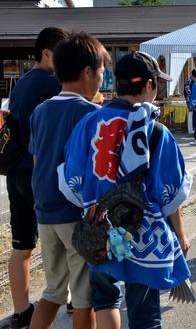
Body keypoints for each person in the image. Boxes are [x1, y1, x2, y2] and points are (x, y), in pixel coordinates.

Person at [58, 51, 192, 328]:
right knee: (145, 315)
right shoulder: (155, 131)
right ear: (148, 86)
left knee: (105, 298)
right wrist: (179, 233)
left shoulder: (88, 123)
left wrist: (94, 205)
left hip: (98, 229)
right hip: (143, 233)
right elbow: (170, 192)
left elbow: (71, 181)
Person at [29, 33, 111, 329]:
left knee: (52, 290)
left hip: (45, 212)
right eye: (102, 72)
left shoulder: (40, 111)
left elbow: (37, 162)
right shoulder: (92, 114)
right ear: (87, 72)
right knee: (83, 297)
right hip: (76, 216)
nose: (103, 79)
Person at [6, 27, 66, 328]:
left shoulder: (22, 82)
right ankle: (73, 299)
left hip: (14, 173)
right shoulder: (51, 83)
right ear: (47, 54)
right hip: (38, 174)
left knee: (21, 245)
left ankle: (20, 312)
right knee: (66, 240)